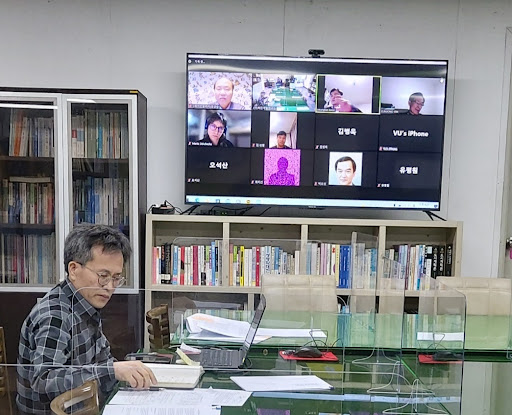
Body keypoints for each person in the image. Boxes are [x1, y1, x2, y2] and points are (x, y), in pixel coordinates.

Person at [16, 224, 156, 414]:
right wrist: (113, 370)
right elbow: (44, 382)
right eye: (103, 275)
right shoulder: (54, 316)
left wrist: (124, 371)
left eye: (116, 278)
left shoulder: (85, 304)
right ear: (73, 269)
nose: (110, 287)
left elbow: (103, 360)